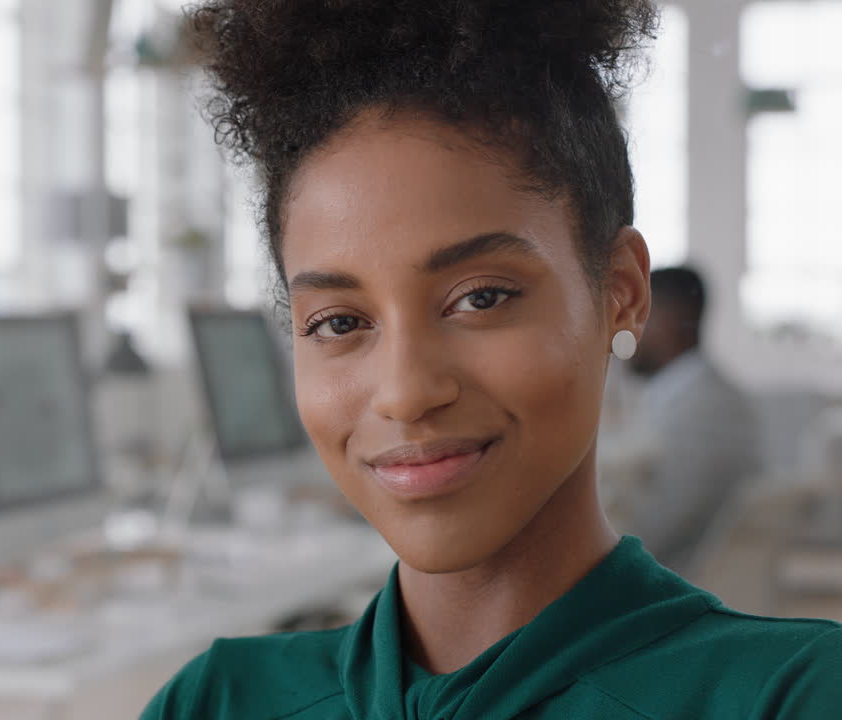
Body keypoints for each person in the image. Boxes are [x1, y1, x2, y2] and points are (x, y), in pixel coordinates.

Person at [142, 1, 841, 718]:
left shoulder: (791, 695)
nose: (407, 392)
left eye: (480, 299)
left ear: (622, 294)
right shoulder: (216, 702)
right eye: (341, 321)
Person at [611, 266, 760, 576]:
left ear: (667, 318)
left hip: (673, 587)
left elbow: (666, 525)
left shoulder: (707, 409)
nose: (618, 332)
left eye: (632, 315)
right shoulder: (690, 394)